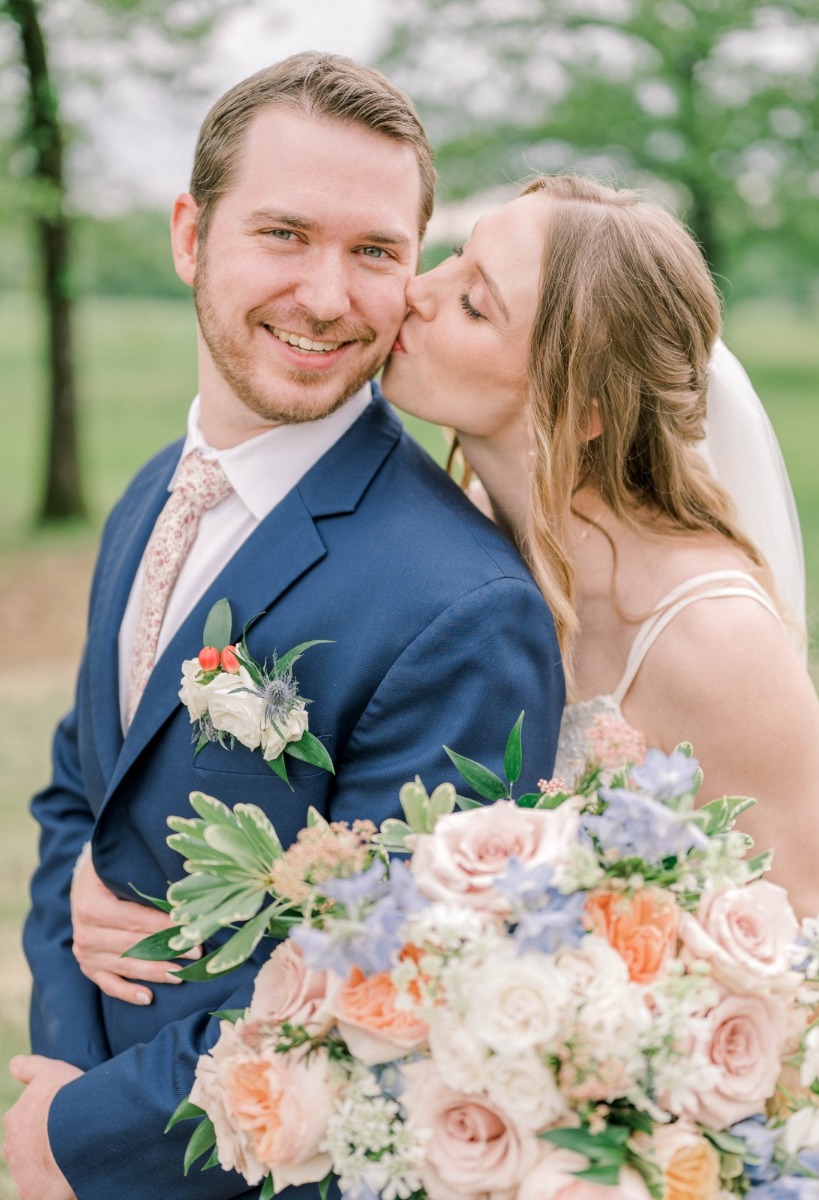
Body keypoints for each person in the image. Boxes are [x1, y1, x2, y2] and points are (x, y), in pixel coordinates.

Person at [3, 54, 565, 1200]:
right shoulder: (156, 491)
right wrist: (60, 1051)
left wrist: (82, 1137)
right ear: (188, 237)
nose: (325, 296)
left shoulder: (463, 608)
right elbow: (80, 794)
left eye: (373, 252)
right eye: (284, 234)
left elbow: (391, 1007)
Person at [380, 174, 819, 919]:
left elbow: (802, 952)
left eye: (473, 304)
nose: (418, 290)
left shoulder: (714, 641)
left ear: (582, 408)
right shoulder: (449, 530)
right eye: (456, 258)